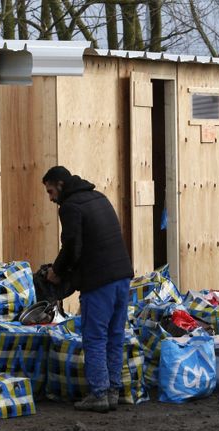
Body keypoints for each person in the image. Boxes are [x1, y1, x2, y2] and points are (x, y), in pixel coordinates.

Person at [42, 166, 134, 413]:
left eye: (51, 191)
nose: (51, 198)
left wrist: (57, 272)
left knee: (94, 337)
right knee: (115, 336)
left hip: (99, 280)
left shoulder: (70, 207)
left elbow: (73, 245)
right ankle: (114, 391)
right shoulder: (99, 197)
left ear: (60, 184)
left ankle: (99, 394)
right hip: (122, 276)